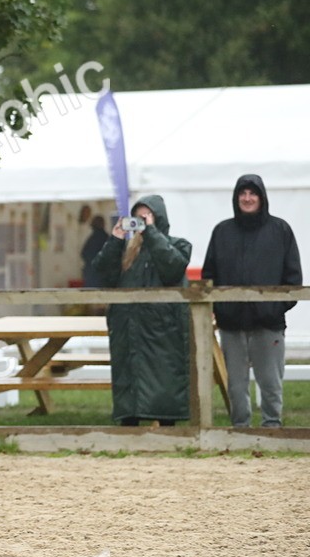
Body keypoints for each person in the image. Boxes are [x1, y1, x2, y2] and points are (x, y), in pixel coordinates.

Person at [202, 174, 302, 428]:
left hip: (269, 324)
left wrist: (273, 309)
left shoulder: (280, 230)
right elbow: (208, 276)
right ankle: (240, 429)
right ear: (236, 198)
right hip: (231, 325)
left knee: (270, 381)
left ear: (261, 197)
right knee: (236, 384)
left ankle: (272, 427)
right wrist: (221, 309)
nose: (247, 198)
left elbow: (293, 279)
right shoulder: (222, 232)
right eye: (243, 194)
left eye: (252, 193)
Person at [92, 195, 192, 426]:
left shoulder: (178, 245)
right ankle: (129, 425)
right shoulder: (128, 251)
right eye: (138, 217)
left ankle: (167, 427)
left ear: (159, 218)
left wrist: (151, 233)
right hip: (129, 328)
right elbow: (104, 274)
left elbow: (172, 268)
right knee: (129, 379)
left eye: (147, 216)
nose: (141, 221)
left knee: (165, 382)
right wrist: (115, 240)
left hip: (163, 331)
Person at [80, 214, 110, 287]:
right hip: (102, 275)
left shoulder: (92, 238)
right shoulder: (106, 238)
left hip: (91, 274)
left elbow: (83, 253)